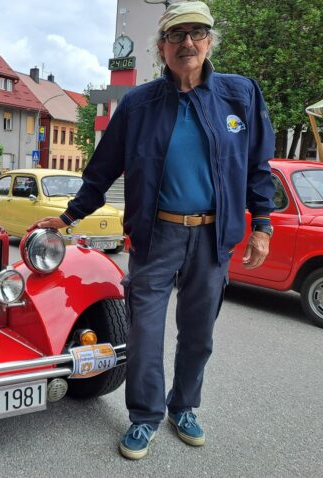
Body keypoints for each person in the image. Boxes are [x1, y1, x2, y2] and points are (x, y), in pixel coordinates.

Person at [30, 1, 275, 461]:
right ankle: (144, 417)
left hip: (211, 237)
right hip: (156, 234)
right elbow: (102, 170)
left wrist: (261, 224)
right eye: (176, 35)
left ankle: (183, 407)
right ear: (161, 46)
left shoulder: (240, 96)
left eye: (197, 33)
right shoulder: (139, 105)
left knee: (198, 333)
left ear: (209, 40)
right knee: (144, 332)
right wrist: (68, 217)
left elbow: (258, 167)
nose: (187, 43)